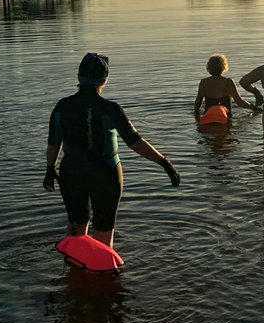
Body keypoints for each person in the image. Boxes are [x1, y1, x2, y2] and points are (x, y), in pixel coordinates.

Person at [43, 52, 180, 248]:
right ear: (104, 80)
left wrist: (50, 169)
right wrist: (164, 162)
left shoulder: (62, 106)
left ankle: (71, 271)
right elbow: (135, 142)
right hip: (105, 173)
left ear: (79, 77)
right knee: (103, 231)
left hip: (71, 172)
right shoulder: (110, 108)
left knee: (75, 229)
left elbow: (53, 142)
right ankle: (104, 272)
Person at [194, 53, 256, 120]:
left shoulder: (204, 82)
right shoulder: (228, 82)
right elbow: (239, 101)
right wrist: (253, 107)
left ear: (209, 67)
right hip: (224, 118)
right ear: (223, 67)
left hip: (208, 117)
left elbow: (198, 102)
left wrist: (196, 117)